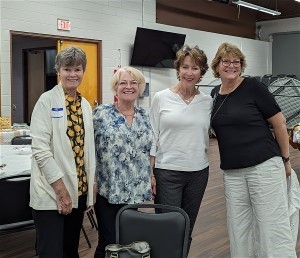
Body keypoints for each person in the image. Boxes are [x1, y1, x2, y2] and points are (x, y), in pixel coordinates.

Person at [210, 42, 296, 257]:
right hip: (232, 172)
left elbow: (280, 123)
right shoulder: (214, 94)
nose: (232, 65)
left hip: (264, 166)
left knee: (271, 225)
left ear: (242, 65)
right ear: (217, 65)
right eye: (226, 61)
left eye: (236, 62)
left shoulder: (254, 87)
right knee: (239, 227)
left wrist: (285, 160)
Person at [30, 46, 96, 258]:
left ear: (83, 71)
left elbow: (87, 151)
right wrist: (60, 191)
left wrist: (89, 190)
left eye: (77, 69)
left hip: (77, 191)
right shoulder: (46, 101)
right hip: (51, 192)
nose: (73, 74)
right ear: (58, 70)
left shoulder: (85, 105)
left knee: (70, 251)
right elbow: (40, 151)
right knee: (51, 253)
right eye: (68, 69)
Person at [149, 44, 212, 253]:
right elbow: (153, 137)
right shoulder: (161, 98)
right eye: (185, 67)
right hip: (167, 172)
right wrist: (150, 173)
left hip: (198, 172)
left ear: (201, 72)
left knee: (187, 227)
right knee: (168, 227)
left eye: (195, 68)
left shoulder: (208, 102)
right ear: (178, 70)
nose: (189, 72)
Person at [93, 66, 153, 258]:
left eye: (133, 82)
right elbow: (90, 150)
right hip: (108, 191)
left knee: (128, 242)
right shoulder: (101, 114)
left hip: (135, 191)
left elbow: (150, 150)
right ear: (115, 87)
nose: (129, 86)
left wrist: (151, 175)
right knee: (108, 242)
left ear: (140, 87)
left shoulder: (145, 116)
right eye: (123, 83)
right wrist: (91, 182)